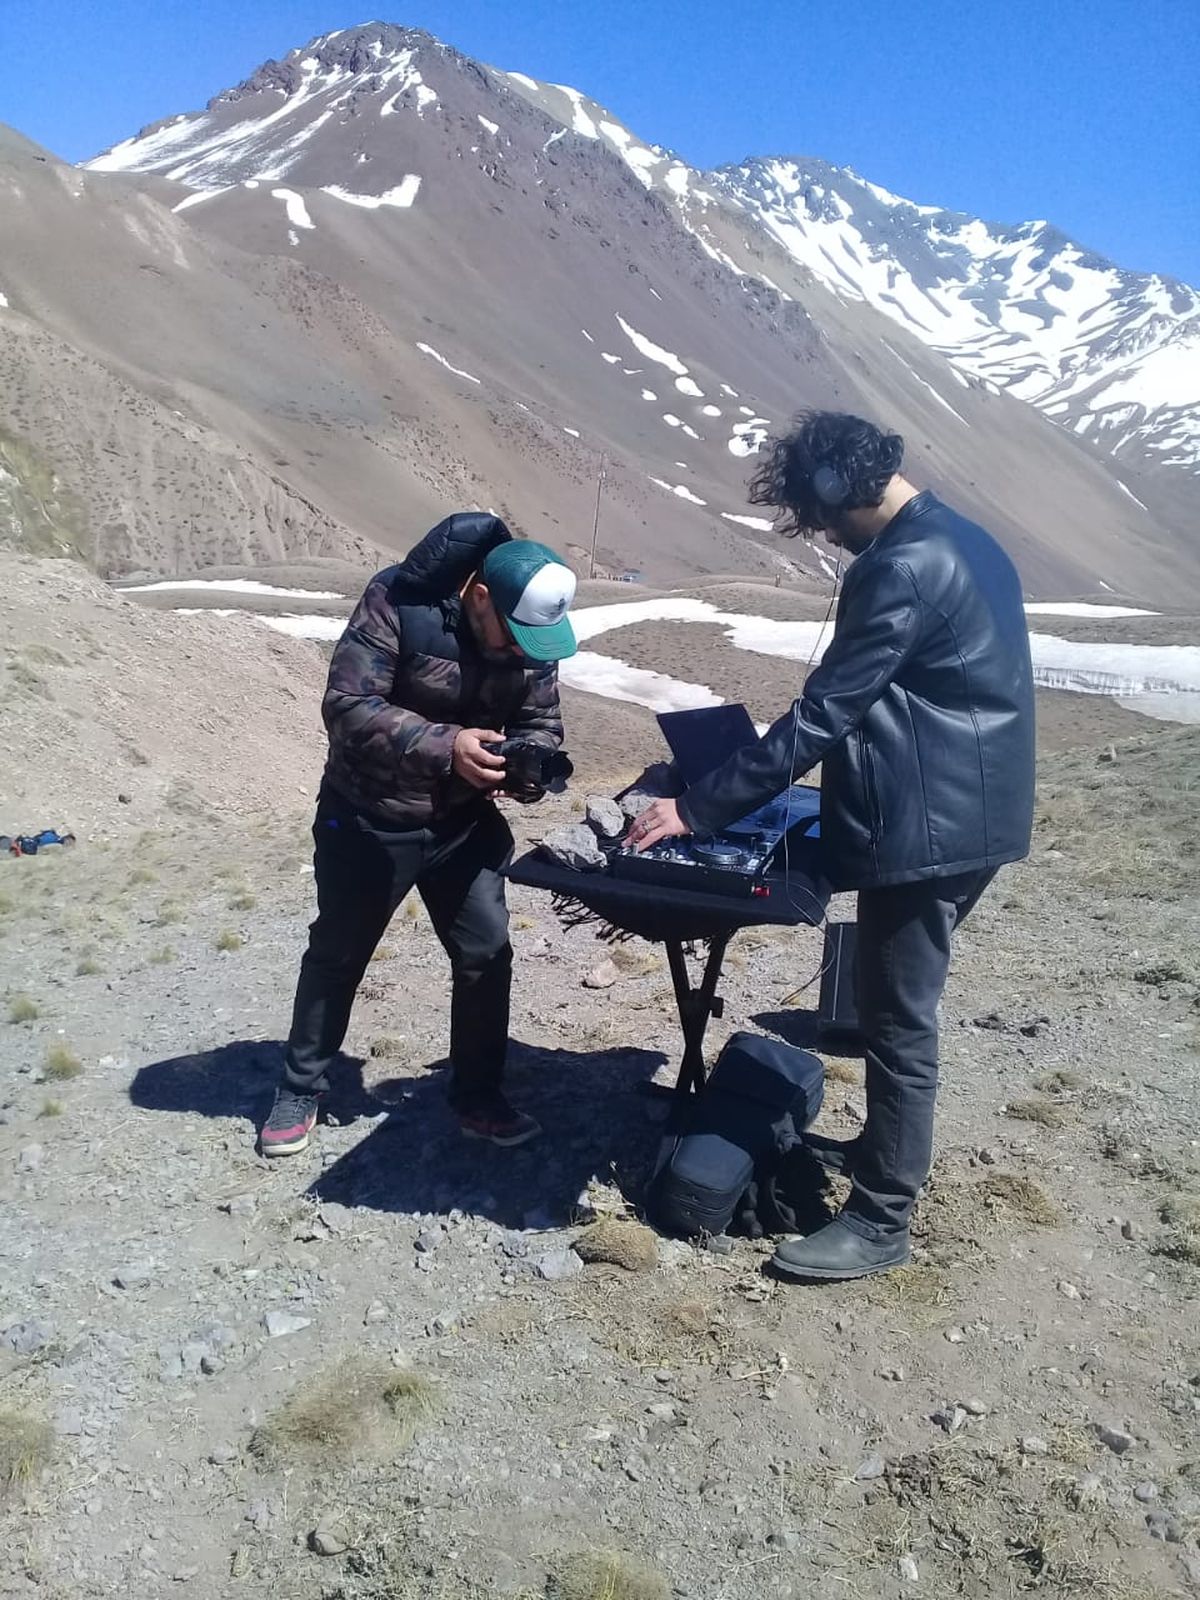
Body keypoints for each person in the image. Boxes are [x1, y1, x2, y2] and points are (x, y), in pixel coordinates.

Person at [631, 411, 1035, 1281]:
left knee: (896, 1020)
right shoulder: (960, 537)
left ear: (835, 489)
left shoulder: (902, 566)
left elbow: (823, 716)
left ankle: (882, 1219)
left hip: (931, 829)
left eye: (818, 518)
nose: (824, 536)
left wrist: (697, 810)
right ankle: (884, 1154)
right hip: (964, 812)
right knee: (894, 1007)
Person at [261, 513, 577, 1158]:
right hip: (369, 816)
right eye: (513, 636)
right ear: (480, 595)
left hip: (461, 823)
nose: (523, 651)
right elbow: (347, 707)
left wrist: (526, 767)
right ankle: (300, 1087)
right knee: (339, 952)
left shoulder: (531, 634)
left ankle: (478, 1097)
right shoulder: (397, 600)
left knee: (486, 952)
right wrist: (448, 746)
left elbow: (540, 721)